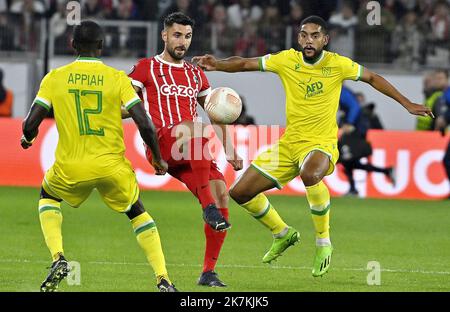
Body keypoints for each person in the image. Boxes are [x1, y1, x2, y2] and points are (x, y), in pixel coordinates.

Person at [193, 15, 433, 277]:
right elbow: (244, 63)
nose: (309, 40)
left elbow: (373, 78)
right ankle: (282, 233)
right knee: (239, 193)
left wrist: (407, 103)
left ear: (325, 39)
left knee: (310, 173)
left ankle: (323, 242)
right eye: (304, 35)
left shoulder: (337, 64)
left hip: (322, 143)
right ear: (298, 38)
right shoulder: (286, 60)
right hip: (289, 145)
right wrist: (217, 64)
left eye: (315, 35)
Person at [20, 20, 177, 292]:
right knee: (137, 211)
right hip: (111, 167)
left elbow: (31, 121)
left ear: (72, 45)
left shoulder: (55, 77)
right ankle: (163, 279)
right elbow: (145, 122)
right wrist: (158, 158)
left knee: (48, 196)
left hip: (71, 167)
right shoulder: (117, 79)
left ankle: (58, 257)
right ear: (102, 46)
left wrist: (28, 138)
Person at [126, 12, 243, 287]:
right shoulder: (145, 68)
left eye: (187, 36)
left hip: (191, 151)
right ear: (164, 35)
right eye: (177, 35)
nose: (182, 42)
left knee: (221, 192)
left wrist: (230, 150)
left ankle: (208, 272)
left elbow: (216, 114)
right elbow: (125, 105)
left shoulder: (195, 74)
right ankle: (207, 207)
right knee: (194, 128)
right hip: (162, 144)